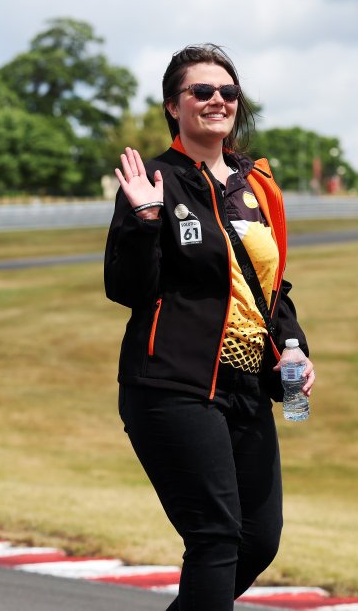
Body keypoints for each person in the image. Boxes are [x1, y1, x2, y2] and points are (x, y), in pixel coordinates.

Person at [104, 43, 314, 610]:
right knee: (216, 536)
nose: (217, 100)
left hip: (248, 385)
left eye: (228, 91)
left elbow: (271, 286)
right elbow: (126, 288)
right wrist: (144, 220)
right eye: (201, 91)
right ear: (174, 106)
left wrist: (293, 346)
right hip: (174, 384)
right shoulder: (154, 179)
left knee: (258, 539)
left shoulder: (256, 183)